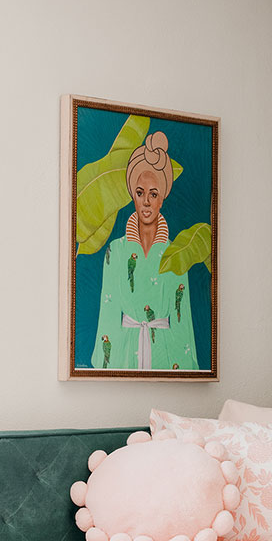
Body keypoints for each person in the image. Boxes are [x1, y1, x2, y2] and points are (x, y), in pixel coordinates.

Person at [90, 133, 199, 372]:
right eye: (140, 193)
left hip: (165, 355)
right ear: (132, 196)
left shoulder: (176, 252)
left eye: (153, 194)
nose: (146, 202)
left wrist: (184, 370)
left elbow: (182, 318)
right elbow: (108, 313)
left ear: (162, 199)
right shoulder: (116, 251)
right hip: (125, 353)